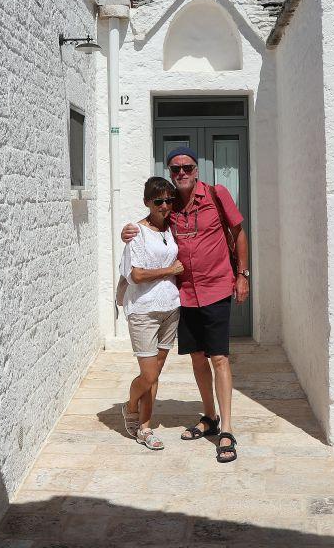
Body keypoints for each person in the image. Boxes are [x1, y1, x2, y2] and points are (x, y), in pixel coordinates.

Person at [122, 147, 249, 463]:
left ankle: (227, 429)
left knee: (219, 358)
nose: (182, 173)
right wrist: (129, 230)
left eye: (187, 167)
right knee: (197, 358)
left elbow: (238, 233)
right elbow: (149, 226)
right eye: (175, 169)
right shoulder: (170, 204)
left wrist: (243, 275)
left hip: (216, 287)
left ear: (196, 169)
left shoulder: (217, 195)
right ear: (170, 172)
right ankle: (209, 417)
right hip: (186, 294)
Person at [118, 176, 184, 450]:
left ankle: (145, 428)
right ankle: (130, 406)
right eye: (158, 201)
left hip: (171, 308)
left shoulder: (171, 229)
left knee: (155, 374)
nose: (165, 206)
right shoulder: (137, 232)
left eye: (169, 200)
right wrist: (170, 270)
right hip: (144, 310)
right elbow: (136, 275)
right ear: (147, 202)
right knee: (148, 375)